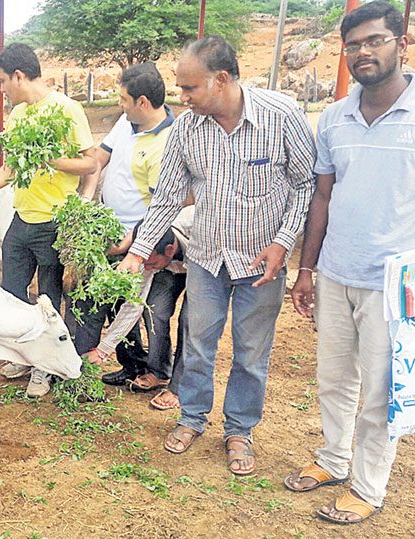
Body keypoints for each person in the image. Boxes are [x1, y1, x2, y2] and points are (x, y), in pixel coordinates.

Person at [284, 1, 415, 525]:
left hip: (397, 285)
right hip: (338, 273)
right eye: (354, 44)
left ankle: (367, 487)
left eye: (375, 41)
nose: (363, 52)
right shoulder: (336, 116)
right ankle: (333, 460)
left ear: (401, 44)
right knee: (334, 380)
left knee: (381, 391)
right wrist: (306, 268)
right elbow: (322, 197)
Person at [119, 36, 316, 475]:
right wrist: (138, 250)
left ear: (221, 79)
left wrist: (283, 242)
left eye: (189, 89)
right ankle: (191, 418)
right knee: (200, 344)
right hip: (206, 259)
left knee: (250, 352)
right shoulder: (188, 129)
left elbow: (307, 185)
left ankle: (239, 430)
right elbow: (168, 195)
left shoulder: (281, 117)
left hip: (260, 265)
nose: (182, 98)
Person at [0, 43, 97, 398]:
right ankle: (27, 357)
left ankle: (45, 369)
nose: (1, 89)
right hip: (22, 218)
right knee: (12, 295)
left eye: (2, 81)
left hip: (53, 222)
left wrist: (51, 161)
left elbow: (90, 162)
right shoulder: (18, 117)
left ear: (19, 75)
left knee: (48, 297)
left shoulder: (67, 109)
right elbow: (10, 168)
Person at [75, 63, 178, 389]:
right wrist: (87, 197)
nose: (119, 104)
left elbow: (162, 206)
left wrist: (134, 244)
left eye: (123, 99)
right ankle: (130, 364)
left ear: (143, 102)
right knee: (116, 301)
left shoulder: (164, 144)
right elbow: (100, 158)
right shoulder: (127, 121)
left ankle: (156, 369)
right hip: (110, 226)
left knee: (143, 305)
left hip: (143, 238)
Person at [87, 206, 194, 411]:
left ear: (170, 250)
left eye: (150, 261)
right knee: (154, 310)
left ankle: (179, 387)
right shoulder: (149, 252)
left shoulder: (197, 230)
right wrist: (103, 350)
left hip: (205, 263)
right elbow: (134, 303)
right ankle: (160, 371)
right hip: (170, 266)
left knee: (190, 321)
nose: (146, 265)